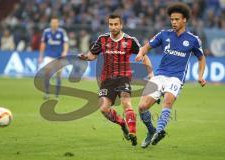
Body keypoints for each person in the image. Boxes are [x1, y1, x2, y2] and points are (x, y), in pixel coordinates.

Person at [135, 2, 206, 148]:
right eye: (172, 19)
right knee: (142, 107)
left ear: (184, 19)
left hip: (176, 78)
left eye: (177, 19)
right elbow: (147, 46)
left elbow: (201, 58)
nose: (173, 22)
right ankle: (151, 131)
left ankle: (159, 132)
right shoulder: (163, 34)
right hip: (160, 75)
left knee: (167, 101)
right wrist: (141, 53)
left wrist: (200, 76)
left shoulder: (193, 39)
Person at [78, 13, 154, 146]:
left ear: (121, 25)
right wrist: (85, 57)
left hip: (123, 77)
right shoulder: (102, 39)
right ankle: (122, 124)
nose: (113, 27)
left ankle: (133, 133)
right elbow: (93, 56)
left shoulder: (130, 40)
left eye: (116, 24)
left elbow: (143, 54)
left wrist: (151, 74)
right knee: (103, 109)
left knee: (126, 103)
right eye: (111, 24)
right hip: (106, 79)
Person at [38, 17, 69, 99]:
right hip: (49, 56)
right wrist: (41, 56)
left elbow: (65, 43)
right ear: (50, 23)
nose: (54, 24)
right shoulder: (46, 32)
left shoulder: (62, 32)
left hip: (59, 56)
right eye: (53, 22)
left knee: (58, 75)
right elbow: (43, 44)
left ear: (58, 23)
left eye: (56, 22)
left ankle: (57, 94)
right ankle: (47, 93)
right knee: (47, 72)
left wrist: (65, 52)